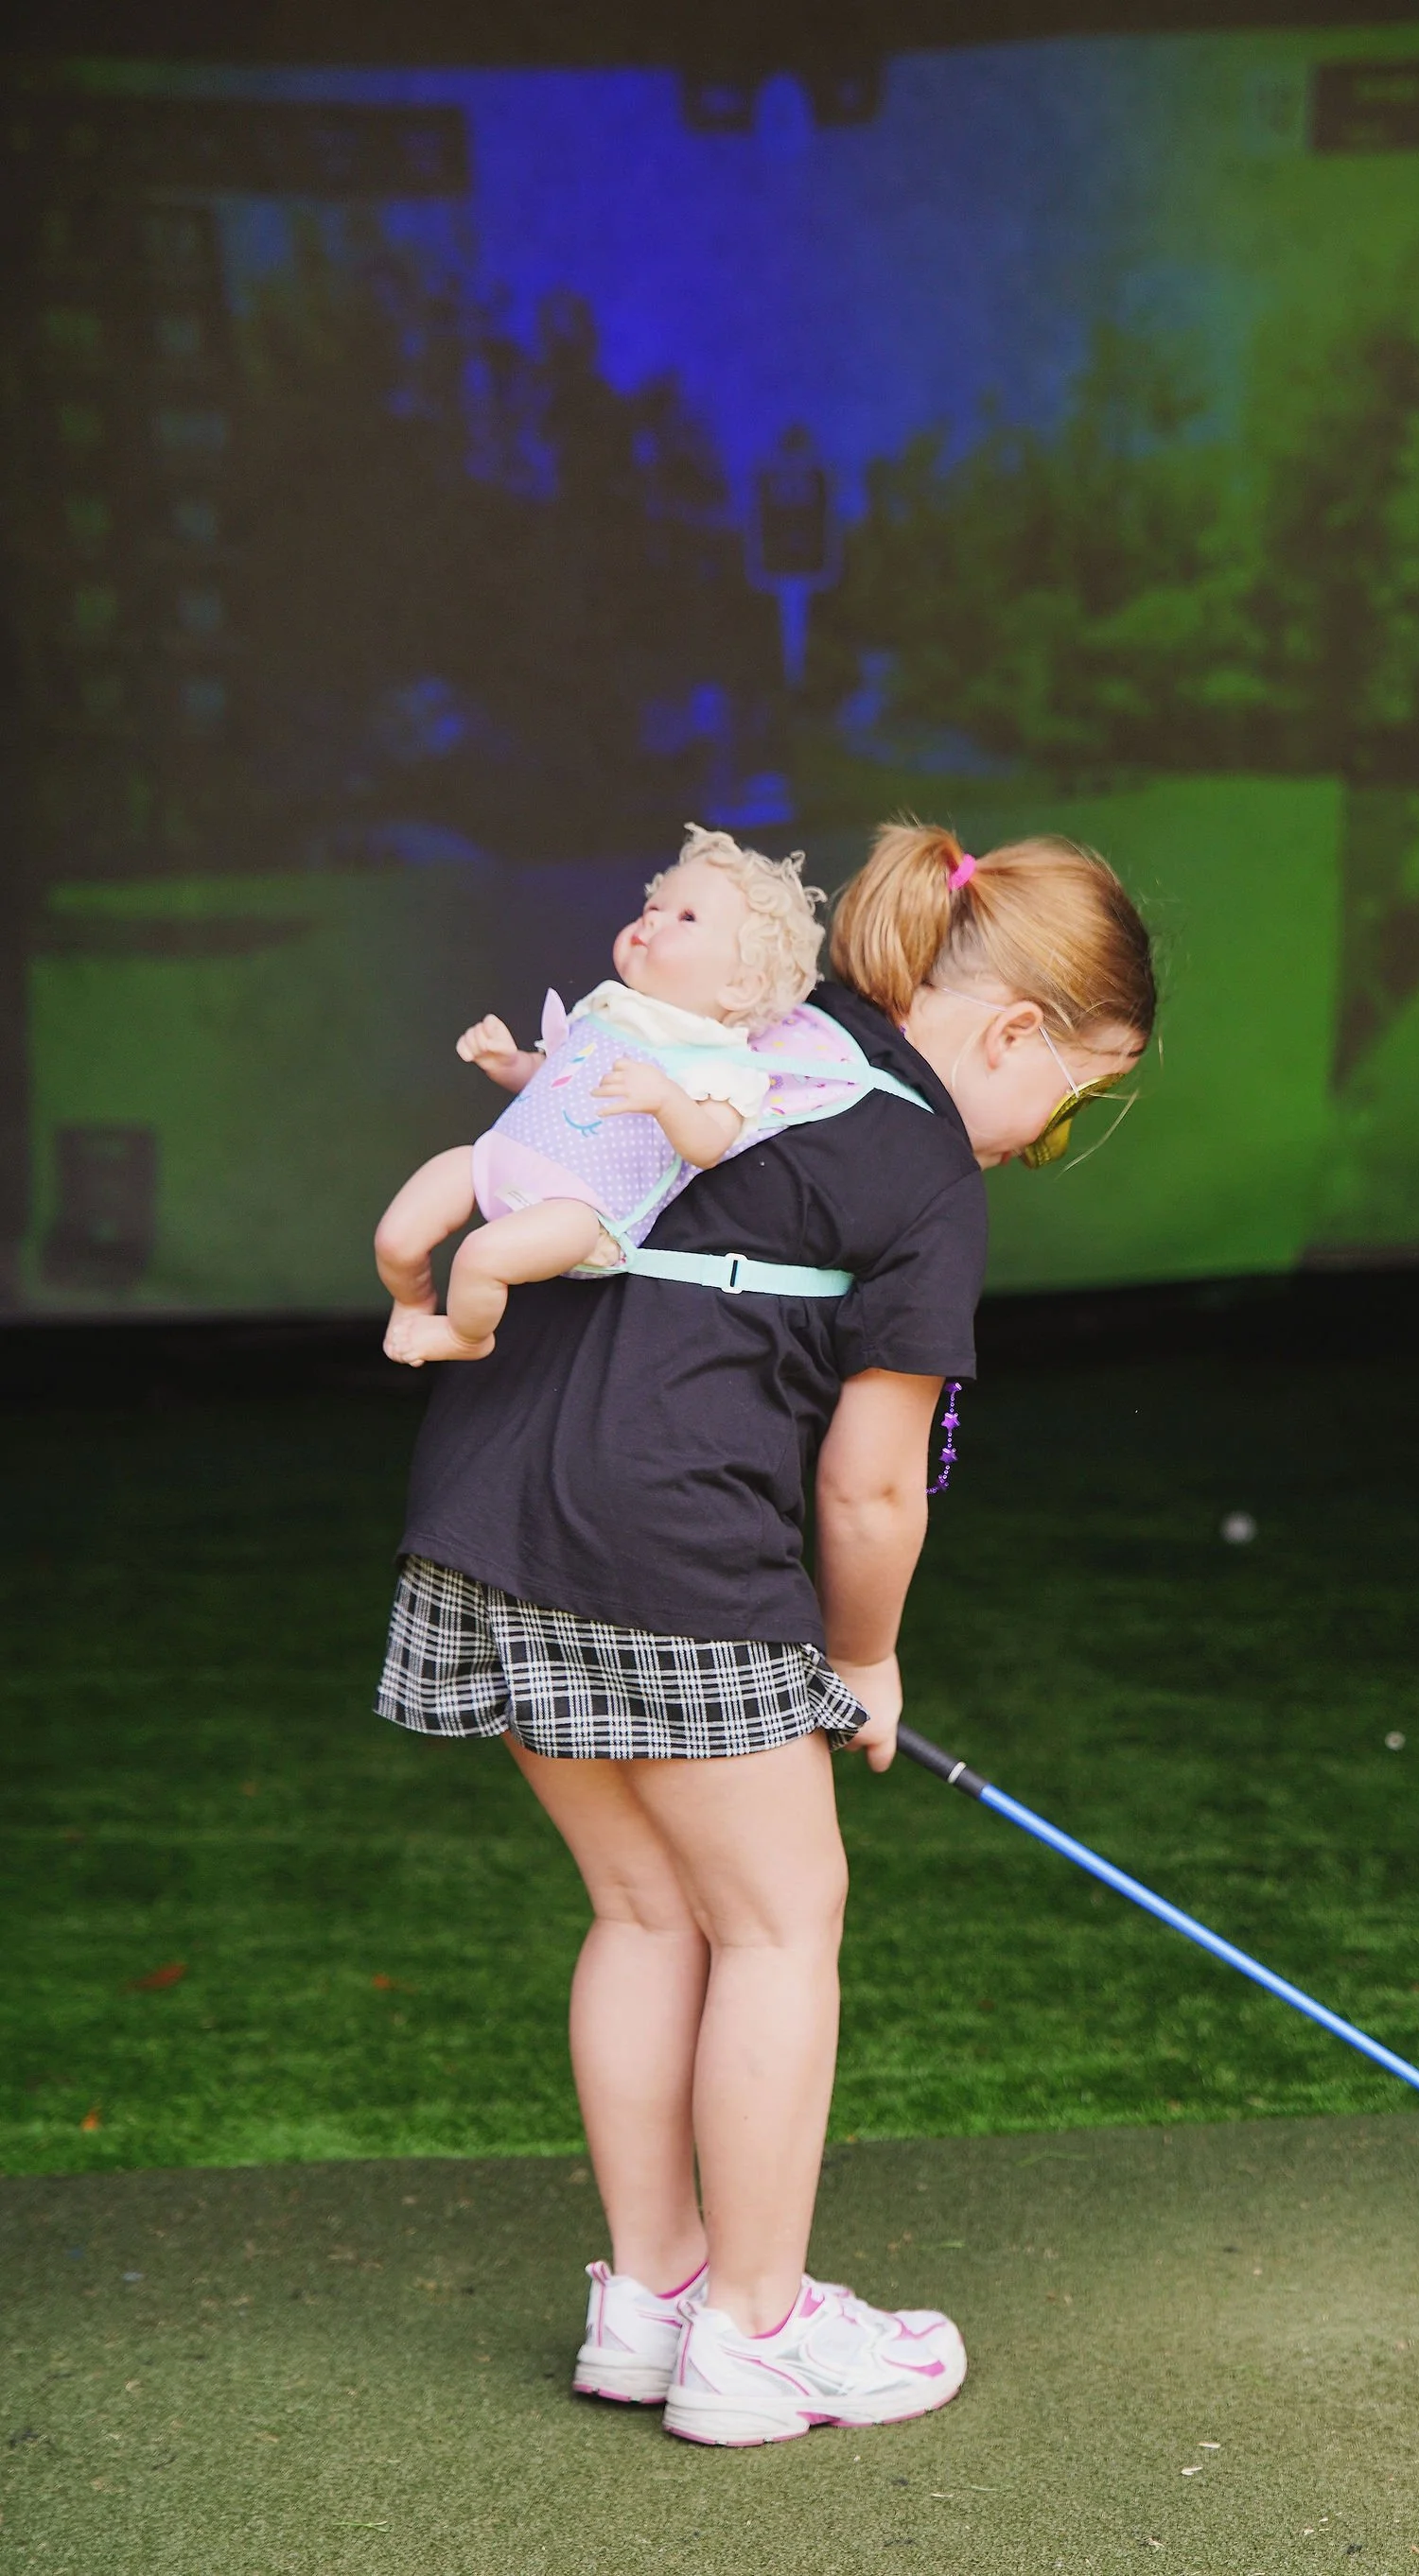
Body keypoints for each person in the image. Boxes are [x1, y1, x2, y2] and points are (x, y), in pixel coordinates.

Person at [374, 817, 1156, 2447]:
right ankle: (754, 2330)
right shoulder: (922, 1165)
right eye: (1075, 1103)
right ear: (1011, 1032)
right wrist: (860, 1653)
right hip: (671, 1538)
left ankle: (648, 2300)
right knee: (783, 1915)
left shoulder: (755, 1026)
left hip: (493, 1500)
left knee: (647, 1908)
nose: (1046, 1134)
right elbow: (870, 1491)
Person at [374, 826, 826, 1367]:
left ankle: (468, 1337)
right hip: (499, 1160)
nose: (652, 918)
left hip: (579, 1217)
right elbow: (556, 1081)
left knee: (479, 1258)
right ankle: (412, 1296)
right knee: (397, 1238)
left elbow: (708, 1144)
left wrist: (665, 1100)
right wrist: (511, 1063)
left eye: (685, 918)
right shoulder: (608, 1009)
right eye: (653, 907)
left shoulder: (720, 1063)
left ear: (741, 986)